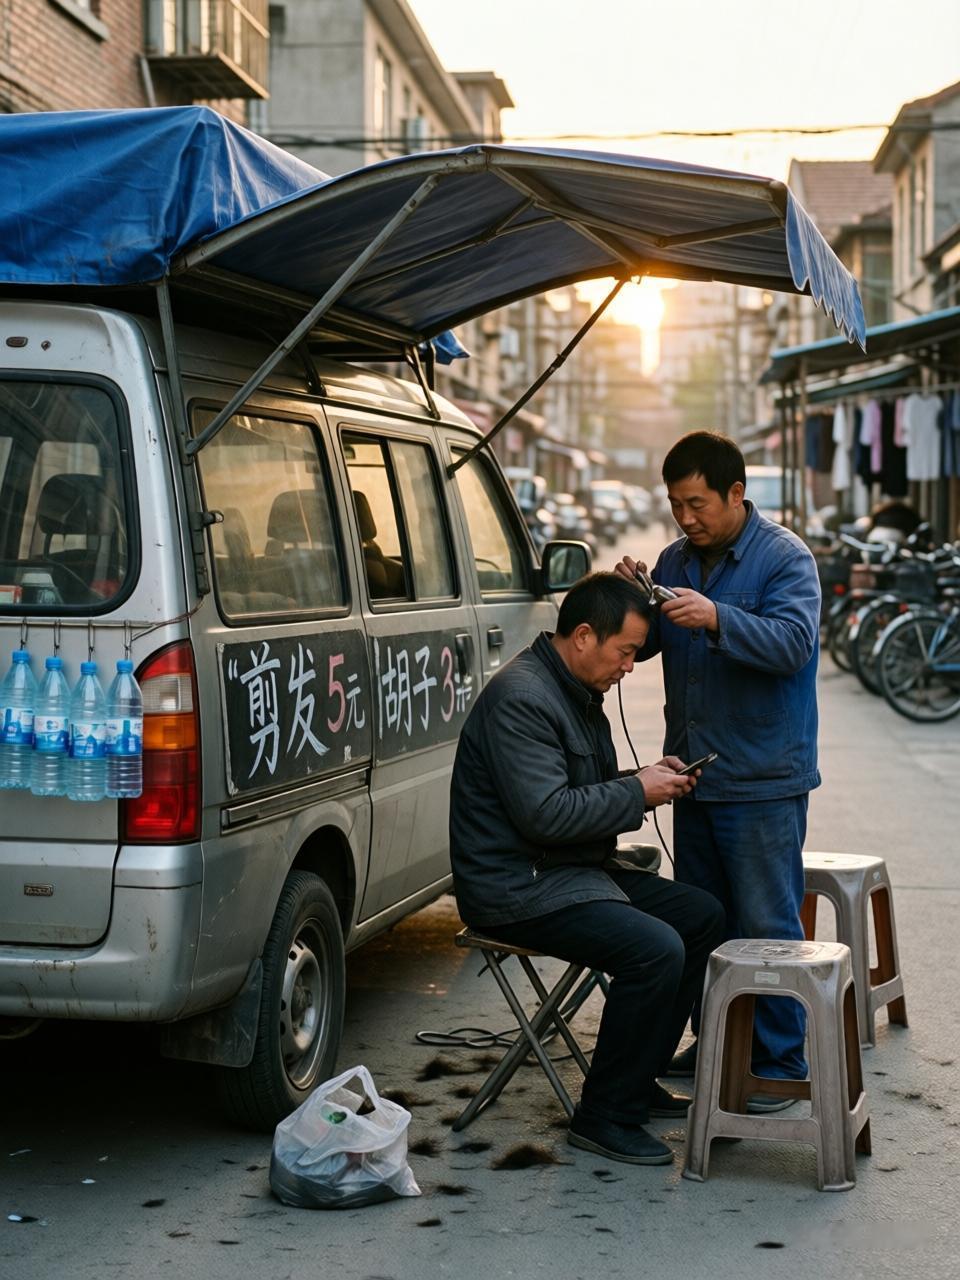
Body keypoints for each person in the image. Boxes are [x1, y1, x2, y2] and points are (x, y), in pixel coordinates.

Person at [449, 573, 726, 1166]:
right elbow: (546, 815)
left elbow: (580, 793)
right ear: (581, 636)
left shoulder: (573, 688)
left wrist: (645, 778)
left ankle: (635, 1078)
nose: (630, 667)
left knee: (700, 916)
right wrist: (639, 795)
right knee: (654, 949)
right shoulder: (523, 698)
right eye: (625, 653)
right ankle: (605, 1116)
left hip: (570, 869)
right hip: (518, 886)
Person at [617, 431, 821, 1105]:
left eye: (697, 503)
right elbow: (650, 646)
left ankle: (780, 1066)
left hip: (763, 778)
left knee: (765, 925)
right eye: (676, 504)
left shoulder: (784, 559)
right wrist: (635, 603)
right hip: (696, 777)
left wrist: (717, 618)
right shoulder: (678, 557)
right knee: (704, 922)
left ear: (736, 493)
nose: (685, 518)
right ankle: (720, 1042)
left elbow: (793, 645)